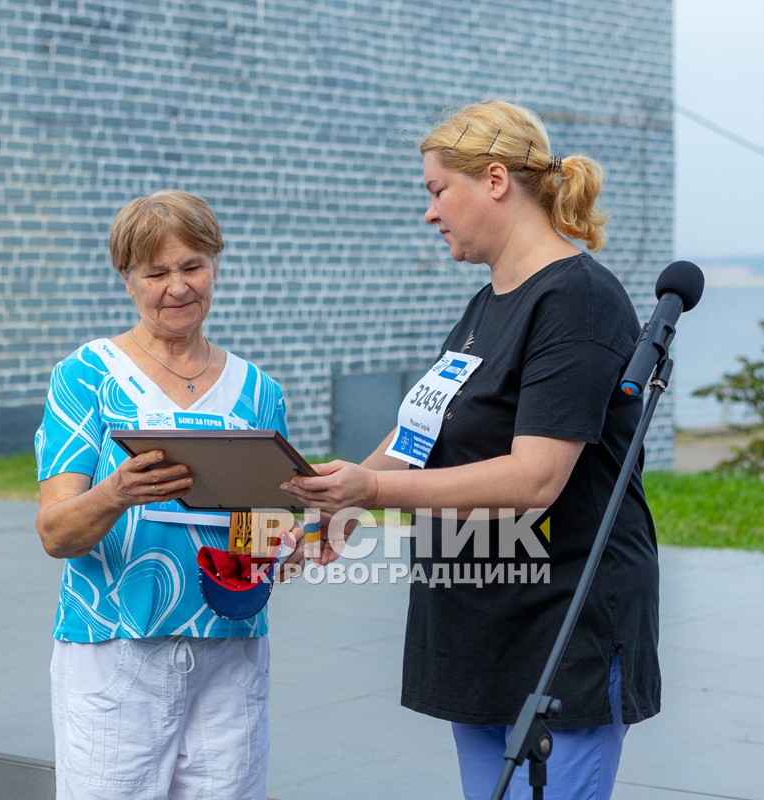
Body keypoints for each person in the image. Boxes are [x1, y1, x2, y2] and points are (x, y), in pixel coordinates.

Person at [282, 100, 661, 799]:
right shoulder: (488, 303)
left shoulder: (576, 299)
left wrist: (372, 493)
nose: (429, 214)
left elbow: (535, 478)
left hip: (560, 626)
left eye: (435, 191)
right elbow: (420, 434)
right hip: (481, 625)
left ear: (493, 180)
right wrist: (332, 505)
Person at [34, 190, 303, 799]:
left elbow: (264, 537)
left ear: (215, 265)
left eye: (192, 267)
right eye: (156, 272)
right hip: (116, 651)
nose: (177, 287)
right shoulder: (87, 377)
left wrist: (284, 540)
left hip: (231, 655)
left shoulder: (259, 393)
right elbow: (55, 533)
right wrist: (117, 493)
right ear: (128, 279)